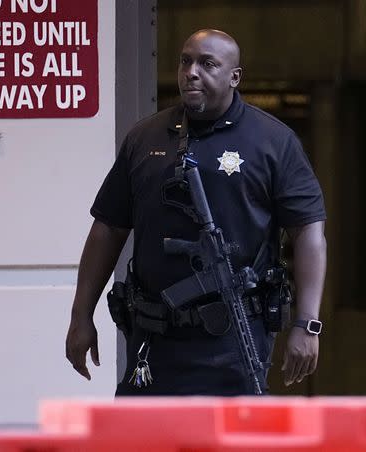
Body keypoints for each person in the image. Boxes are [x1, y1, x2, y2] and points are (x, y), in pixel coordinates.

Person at [64, 29, 327, 395]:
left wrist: (307, 322)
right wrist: (81, 316)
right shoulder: (146, 138)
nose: (191, 71)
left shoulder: (272, 142)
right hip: (153, 339)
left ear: (235, 77)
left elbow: (308, 231)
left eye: (207, 64)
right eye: (185, 61)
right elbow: (108, 227)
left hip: (235, 337)